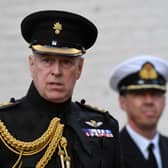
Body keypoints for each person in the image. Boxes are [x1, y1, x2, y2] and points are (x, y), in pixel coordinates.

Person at [0, 10, 122, 168]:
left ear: (79, 68)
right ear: (32, 65)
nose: (56, 71)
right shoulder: (5, 124)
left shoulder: (104, 126)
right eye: (47, 61)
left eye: (66, 62)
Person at [109, 55, 168, 168]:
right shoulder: (110, 153)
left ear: (164, 101)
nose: (149, 101)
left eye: (155, 94)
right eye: (140, 94)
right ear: (122, 102)